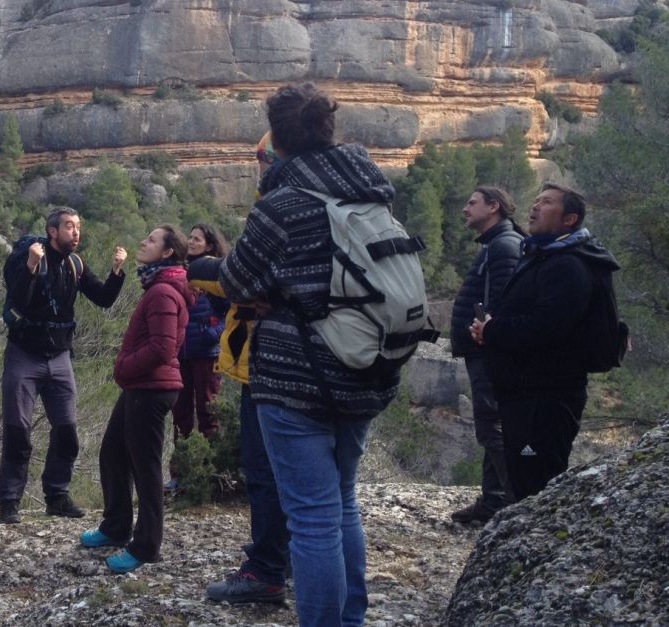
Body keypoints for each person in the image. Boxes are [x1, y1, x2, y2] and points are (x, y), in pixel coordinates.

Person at [219, 83, 403, 625]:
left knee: (312, 518)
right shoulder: (371, 193)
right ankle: (350, 619)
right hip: (367, 367)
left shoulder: (282, 204)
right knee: (342, 502)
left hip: (296, 378)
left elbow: (233, 280)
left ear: (277, 138)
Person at [470, 184, 621, 501]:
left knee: (535, 489)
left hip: (544, 400)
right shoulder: (545, 256)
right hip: (526, 395)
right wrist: (491, 328)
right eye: (536, 200)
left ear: (569, 219)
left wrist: (493, 330)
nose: (535, 207)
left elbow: (545, 327)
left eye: (547, 202)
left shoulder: (568, 265)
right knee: (526, 484)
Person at [198, 137, 290, 605]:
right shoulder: (341, 201)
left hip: (273, 362)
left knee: (263, 467)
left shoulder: (278, 210)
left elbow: (240, 279)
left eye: (262, 159)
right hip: (326, 359)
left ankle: (267, 570)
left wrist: (198, 268)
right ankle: (288, 559)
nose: (256, 167)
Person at [0, 207, 128, 524]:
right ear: (52, 231)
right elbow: (19, 300)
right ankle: (9, 502)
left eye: (78, 226)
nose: (76, 232)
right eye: (69, 227)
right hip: (23, 355)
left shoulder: (76, 264)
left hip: (59, 357)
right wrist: (30, 265)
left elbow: (103, 299)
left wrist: (117, 272)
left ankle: (57, 496)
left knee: (67, 431)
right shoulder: (30, 257)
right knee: (18, 432)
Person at [80, 225, 193, 574]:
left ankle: (145, 546)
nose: (143, 241)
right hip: (141, 386)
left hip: (151, 388)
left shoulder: (163, 292)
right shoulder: (158, 286)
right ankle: (116, 526)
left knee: (146, 470)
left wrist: (124, 367)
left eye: (152, 240)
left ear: (167, 252)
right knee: (113, 452)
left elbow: (163, 347)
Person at [448, 186, 524, 524]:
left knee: (492, 427)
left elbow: (502, 304)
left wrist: (483, 334)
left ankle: (516, 502)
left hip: (489, 352)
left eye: (471, 202)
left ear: (493, 207)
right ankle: (493, 501)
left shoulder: (503, 246)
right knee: (490, 426)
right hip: (482, 349)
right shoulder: (496, 244)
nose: (465, 209)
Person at [167, 224, 230, 489]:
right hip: (181, 353)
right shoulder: (180, 270)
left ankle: (211, 474)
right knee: (180, 413)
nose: (191, 242)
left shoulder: (217, 271)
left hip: (206, 353)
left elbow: (230, 311)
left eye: (197, 239)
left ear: (210, 244)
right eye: (190, 237)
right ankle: (180, 474)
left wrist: (213, 333)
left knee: (207, 410)